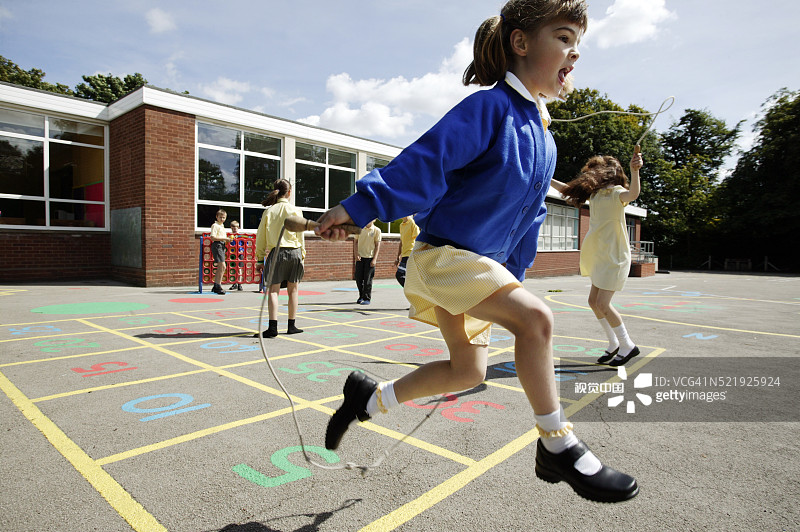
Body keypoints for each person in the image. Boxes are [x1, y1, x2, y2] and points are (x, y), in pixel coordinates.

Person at [313, 0, 638, 503]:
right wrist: (360, 206)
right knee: (537, 321)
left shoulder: (545, 141)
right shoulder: (489, 107)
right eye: (564, 37)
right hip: (444, 258)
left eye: (579, 42)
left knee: (468, 371)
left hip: (479, 268)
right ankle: (556, 443)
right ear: (521, 42)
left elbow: (526, 223)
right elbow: (427, 160)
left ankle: (368, 399)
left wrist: (512, 277)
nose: (575, 53)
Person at [551, 153, 643, 367]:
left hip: (615, 257)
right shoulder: (595, 195)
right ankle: (613, 343)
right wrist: (547, 177)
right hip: (601, 256)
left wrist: (635, 171)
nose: (590, 174)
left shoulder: (617, 193)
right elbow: (565, 190)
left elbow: (634, 194)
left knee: (603, 303)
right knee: (593, 302)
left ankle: (628, 345)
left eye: (595, 170)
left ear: (607, 173)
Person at [254, 179, 306, 338]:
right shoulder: (296, 210)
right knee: (293, 290)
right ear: (289, 192)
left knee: (273, 291)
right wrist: (302, 255)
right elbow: (300, 235)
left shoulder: (269, 212)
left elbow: (260, 237)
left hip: (277, 253)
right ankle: (291, 325)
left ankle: (272, 328)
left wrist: (260, 259)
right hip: (295, 252)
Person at [354, 219, 381, 305]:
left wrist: (374, 259)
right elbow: (355, 242)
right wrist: (356, 254)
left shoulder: (377, 230)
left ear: (374, 220)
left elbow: (377, 245)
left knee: (368, 280)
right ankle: (361, 296)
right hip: (360, 258)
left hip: (370, 258)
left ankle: (367, 298)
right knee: (358, 279)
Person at [209, 209, 231, 295]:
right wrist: (225, 239)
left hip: (222, 245)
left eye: (224, 217)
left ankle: (216, 285)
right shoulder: (215, 225)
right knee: (222, 266)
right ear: (216, 217)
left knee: (222, 267)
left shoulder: (222, 226)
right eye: (220, 217)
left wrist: (227, 240)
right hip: (217, 245)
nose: (222, 219)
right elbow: (213, 238)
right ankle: (218, 285)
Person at [394, 215, 420, 287]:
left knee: (400, 274)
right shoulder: (401, 225)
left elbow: (417, 239)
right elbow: (402, 242)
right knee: (407, 276)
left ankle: (413, 291)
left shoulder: (412, 223)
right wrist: (398, 256)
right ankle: (413, 292)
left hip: (411, 253)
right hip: (404, 254)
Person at [228, 220, 244, 291]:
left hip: (240, 254)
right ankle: (234, 283)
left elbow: (244, 244)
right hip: (233, 254)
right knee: (233, 269)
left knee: (239, 269)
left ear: (239, 228)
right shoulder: (230, 236)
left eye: (237, 227)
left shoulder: (240, 236)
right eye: (233, 227)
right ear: (231, 227)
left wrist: (242, 250)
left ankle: (239, 284)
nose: (235, 228)